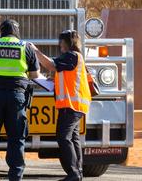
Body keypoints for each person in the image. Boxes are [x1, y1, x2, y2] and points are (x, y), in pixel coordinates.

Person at [0, 19, 40, 181]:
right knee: (16, 139)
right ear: (17, 32)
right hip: (17, 97)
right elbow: (35, 75)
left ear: (2, 31)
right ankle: (15, 177)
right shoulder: (25, 47)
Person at [31, 30, 91, 181]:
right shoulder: (74, 57)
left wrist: (35, 51)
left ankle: (73, 173)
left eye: (62, 42)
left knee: (63, 137)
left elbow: (51, 65)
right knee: (73, 138)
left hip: (71, 105)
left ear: (67, 43)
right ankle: (78, 172)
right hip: (76, 105)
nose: (60, 45)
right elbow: (65, 77)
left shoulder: (72, 55)